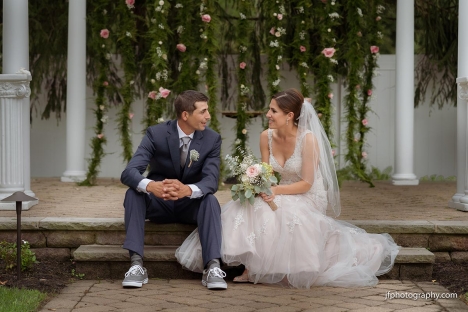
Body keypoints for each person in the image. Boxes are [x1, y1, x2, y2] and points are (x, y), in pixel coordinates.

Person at [176, 88, 400, 288]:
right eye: (269, 110)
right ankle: (251, 267)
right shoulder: (266, 137)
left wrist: (275, 192)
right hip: (277, 189)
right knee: (246, 205)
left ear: (289, 116)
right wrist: (257, 185)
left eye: (273, 111)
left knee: (278, 210)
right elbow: (268, 173)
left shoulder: (308, 140)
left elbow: (307, 183)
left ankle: (260, 269)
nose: (268, 115)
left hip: (307, 194)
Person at [121, 90, 227, 290]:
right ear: (185, 115)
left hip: (190, 205)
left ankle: (212, 265)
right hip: (159, 203)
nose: (208, 116)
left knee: (210, 200)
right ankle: (136, 264)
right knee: (133, 192)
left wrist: (187, 190)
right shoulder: (156, 133)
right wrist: (152, 186)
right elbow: (129, 172)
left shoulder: (212, 139)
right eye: (203, 111)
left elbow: (211, 181)